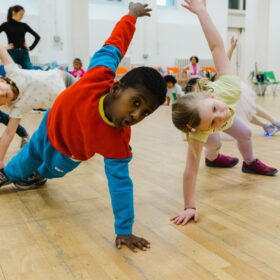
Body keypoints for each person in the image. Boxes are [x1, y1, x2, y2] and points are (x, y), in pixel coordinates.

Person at [0, 3, 167, 252]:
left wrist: (125, 230)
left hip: (70, 153)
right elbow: (115, 44)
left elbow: (120, 184)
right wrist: (131, 16)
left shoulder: (117, 142)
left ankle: (39, 175)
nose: (136, 115)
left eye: (145, 112)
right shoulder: (99, 74)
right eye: (136, 103)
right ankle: (8, 175)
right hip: (51, 124)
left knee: (50, 169)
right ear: (116, 88)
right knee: (29, 155)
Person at [170, 0, 278, 226]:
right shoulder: (199, 132)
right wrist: (189, 206)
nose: (222, 116)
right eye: (212, 121)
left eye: (215, 110)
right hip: (206, 132)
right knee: (215, 144)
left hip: (211, 113)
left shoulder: (228, 87)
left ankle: (250, 162)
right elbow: (190, 170)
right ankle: (213, 159)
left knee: (246, 133)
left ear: (210, 96)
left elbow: (217, 47)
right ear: (196, 130)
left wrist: (201, 12)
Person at [0, 44, 77, 168]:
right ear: (2, 104)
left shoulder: (12, 71)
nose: (1, 94)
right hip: (65, 104)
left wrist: (8, 46)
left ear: (1, 80)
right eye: (0, 99)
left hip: (66, 80)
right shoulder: (17, 108)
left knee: (95, 95)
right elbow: (8, 133)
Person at [227, 37, 280, 136]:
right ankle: (268, 125)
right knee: (244, 111)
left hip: (231, 90)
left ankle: (273, 122)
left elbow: (225, 60)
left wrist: (232, 48)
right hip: (229, 93)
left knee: (249, 108)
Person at [0, 5, 40, 69]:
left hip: (24, 54)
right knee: (10, 74)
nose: (22, 16)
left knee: (30, 72)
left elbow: (37, 37)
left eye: (23, 14)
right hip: (12, 53)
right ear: (13, 12)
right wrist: (4, 48)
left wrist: (30, 47)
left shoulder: (24, 25)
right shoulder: (5, 25)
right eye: (20, 14)